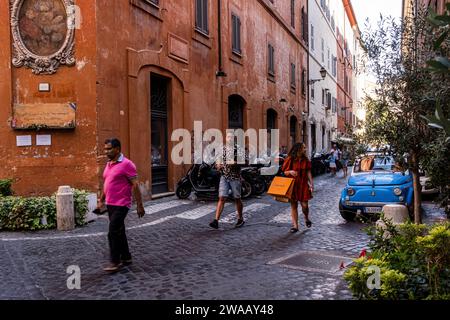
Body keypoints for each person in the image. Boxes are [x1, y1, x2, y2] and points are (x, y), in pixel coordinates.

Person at [96, 138, 145, 272]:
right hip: (110, 204)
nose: (106, 151)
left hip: (122, 204)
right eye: (105, 149)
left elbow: (135, 185)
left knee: (112, 231)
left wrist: (140, 205)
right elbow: (107, 184)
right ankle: (126, 257)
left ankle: (115, 261)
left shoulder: (127, 164)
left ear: (117, 149)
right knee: (119, 231)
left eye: (109, 149)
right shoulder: (109, 164)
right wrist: (101, 201)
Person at [209, 131, 248, 229]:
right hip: (224, 176)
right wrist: (218, 165)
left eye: (231, 137)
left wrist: (235, 162)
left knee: (237, 198)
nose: (229, 139)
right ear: (225, 138)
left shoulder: (238, 149)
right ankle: (216, 220)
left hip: (235, 177)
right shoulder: (222, 149)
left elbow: (246, 161)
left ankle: (240, 218)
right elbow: (217, 161)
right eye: (228, 137)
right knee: (222, 198)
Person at [282, 142, 314, 233]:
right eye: (303, 147)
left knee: (305, 206)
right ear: (298, 149)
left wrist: (311, 184)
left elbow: (308, 172)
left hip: (303, 185)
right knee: (294, 205)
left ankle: (306, 218)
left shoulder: (305, 159)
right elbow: (284, 172)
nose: (305, 149)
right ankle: (295, 226)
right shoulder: (290, 159)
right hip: (293, 185)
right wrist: (290, 172)